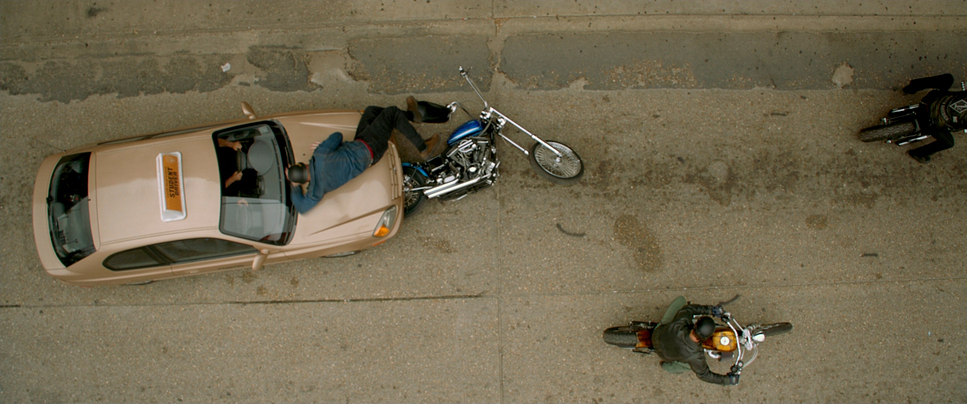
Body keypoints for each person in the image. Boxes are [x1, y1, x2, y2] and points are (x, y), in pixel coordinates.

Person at [287, 100, 446, 214]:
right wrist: (322, 146)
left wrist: (295, 186)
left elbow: (302, 207)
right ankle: (424, 148)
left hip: (368, 155)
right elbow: (337, 136)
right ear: (304, 166)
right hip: (370, 145)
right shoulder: (320, 155)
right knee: (392, 112)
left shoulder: (316, 190)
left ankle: (412, 115)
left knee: (371, 111)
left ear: (305, 180)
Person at [650, 296, 739, 385]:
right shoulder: (695, 356)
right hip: (664, 355)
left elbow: (689, 309)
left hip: (658, 334)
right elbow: (704, 375)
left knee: (681, 300)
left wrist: (711, 310)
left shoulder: (680, 323)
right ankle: (667, 367)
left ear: (695, 325)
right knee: (691, 366)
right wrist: (728, 380)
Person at [900, 73, 967, 163]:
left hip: (929, 100)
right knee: (948, 143)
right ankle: (917, 153)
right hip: (931, 122)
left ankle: (912, 87)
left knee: (948, 78)